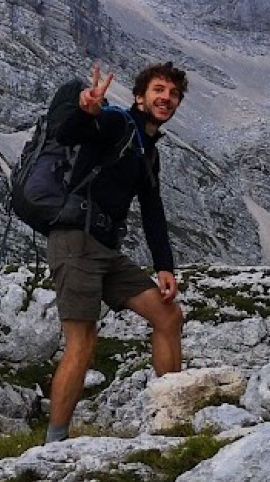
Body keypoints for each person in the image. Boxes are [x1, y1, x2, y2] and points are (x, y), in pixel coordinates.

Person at [43, 61, 187, 443]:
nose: (166, 98)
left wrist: (164, 267)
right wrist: (86, 109)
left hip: (106, 248)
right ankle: (52, 446)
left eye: (173, 94)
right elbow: (72, 131)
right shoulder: (116, 124)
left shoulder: (148, 150)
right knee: (83, 341)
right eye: (159, 90)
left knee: (168, 315)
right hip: (75, 240)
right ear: (141, 97)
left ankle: (169, 423)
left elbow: (154, 212)